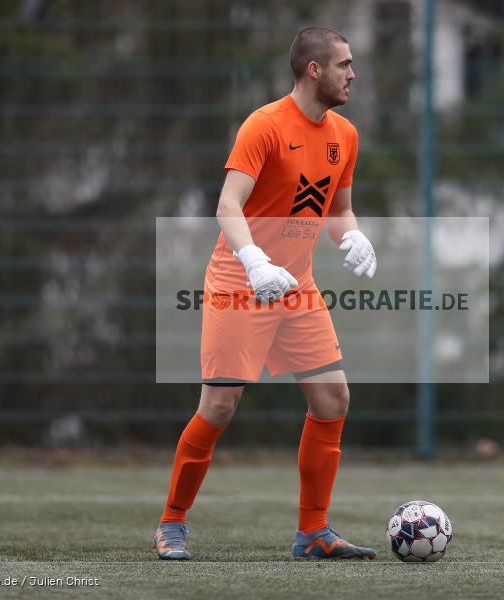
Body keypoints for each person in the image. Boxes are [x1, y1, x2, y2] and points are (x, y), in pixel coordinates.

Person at [153, 27, 379, 560]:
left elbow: (338, 210)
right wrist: (253, 261)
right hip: (240, 281)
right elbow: (228, 205)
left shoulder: (344, 134)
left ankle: (313, 533)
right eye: (344, 64)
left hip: (296, 285)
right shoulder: (265, 125)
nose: (353, 74)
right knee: (220, 406)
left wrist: (354, 236)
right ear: (314, 70)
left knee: (333, 398)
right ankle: (171, 523)